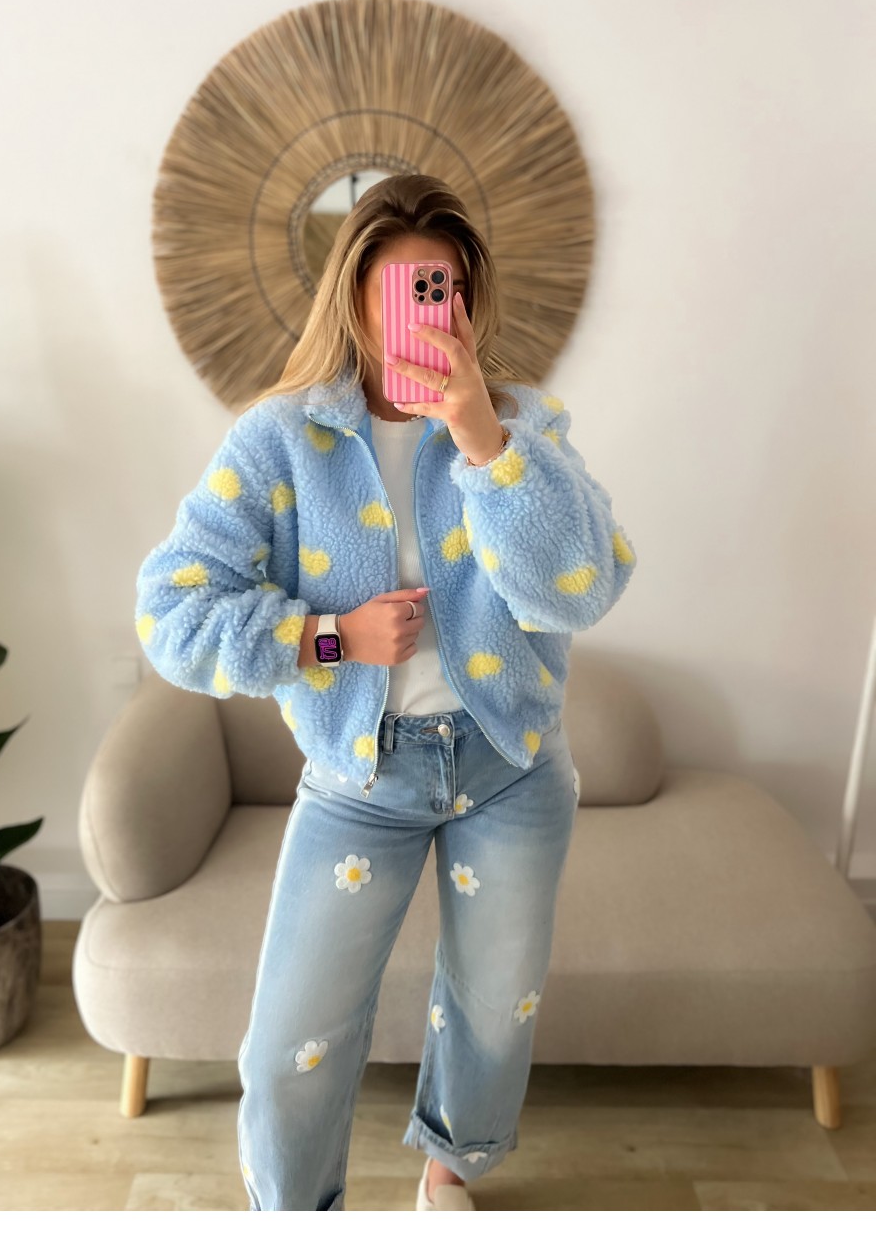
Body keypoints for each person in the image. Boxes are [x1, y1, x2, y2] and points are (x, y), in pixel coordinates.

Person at [135, 173, 637, 1210]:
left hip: (511, 766)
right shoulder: (280, 440)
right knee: (290, 1042)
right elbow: (171, 611)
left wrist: (484, 440)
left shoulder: (523, 427)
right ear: (355, 296)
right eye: (404, 286)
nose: (427, 307)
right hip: (361, 777)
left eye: (444, 287)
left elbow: (583, 586)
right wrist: (329, 636)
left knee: (494, 1004)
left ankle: (450, 1172)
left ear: (469, 299)